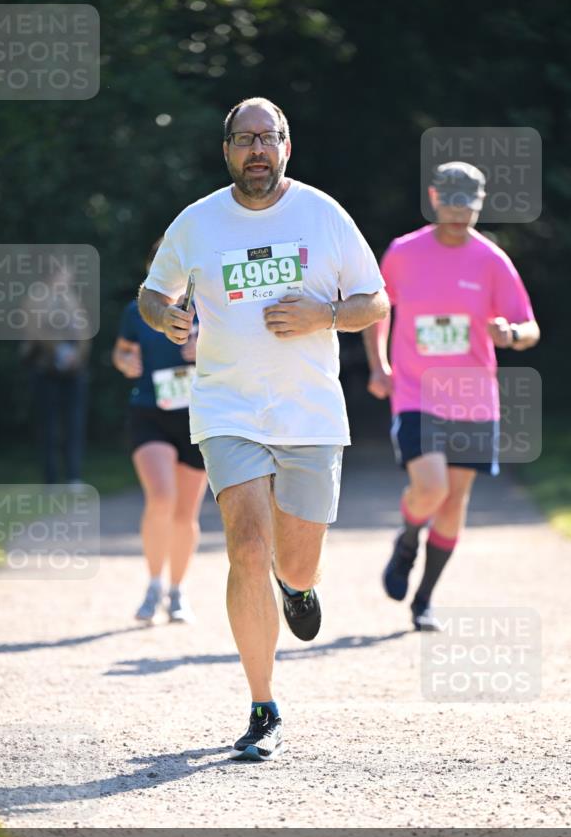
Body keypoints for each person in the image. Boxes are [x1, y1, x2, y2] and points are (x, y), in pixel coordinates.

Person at [138, 97, 388, 760]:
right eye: (243, 138)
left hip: (308, 412)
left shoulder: (322, 214)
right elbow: (152, 290)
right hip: (226, 408)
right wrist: (165, 316)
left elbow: (375, 299)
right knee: (246, 547)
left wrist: (324, 314)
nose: (256, 149)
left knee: (294, 560)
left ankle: (296, 586)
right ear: (226, 150)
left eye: (267, 137)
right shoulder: (196, 222)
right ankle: (261, 703)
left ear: (286, 146)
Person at [364, 161, 540, 631]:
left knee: (455, 500)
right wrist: (378, 364)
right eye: (453, 203)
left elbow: (529, 326)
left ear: (479, 205)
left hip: (474, 397)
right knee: (432, 488)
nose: (461, 214)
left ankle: (424, 599)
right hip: (416, 390)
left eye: (471, 205)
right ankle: (407, 539)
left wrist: (512, 333)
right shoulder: (403, 252)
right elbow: (377, 310)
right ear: (435, 197)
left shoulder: (491, 260)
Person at [112, 241, 208, 624]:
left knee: (186, 514)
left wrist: (205, 348)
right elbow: (120, 352)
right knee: (162, 497)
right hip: (149, 412)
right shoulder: (137, 311)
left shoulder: (210, 309)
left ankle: (177, 591)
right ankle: (153, 585)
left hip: (196, 416)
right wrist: (125, 361)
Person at [21, 265, 90, 488]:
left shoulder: (72, 299)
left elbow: (84, 331)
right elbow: (35, 331)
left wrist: (76, 357)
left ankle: (73, 476)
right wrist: (58, 351)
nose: (67, 278)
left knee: (74, 424)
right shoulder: (35, 299)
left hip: (73, 371)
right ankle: (50, 479)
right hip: (45, 369)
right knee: (48, 426)